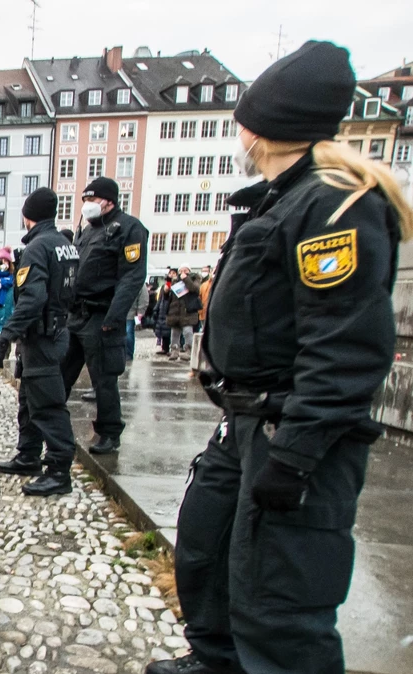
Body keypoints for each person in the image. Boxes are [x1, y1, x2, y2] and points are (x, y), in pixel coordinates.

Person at [152, 41, 411, 674]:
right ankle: (217, 659)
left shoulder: (333, 206)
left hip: (292, 428)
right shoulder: (283, 196)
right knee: (207, 551)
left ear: (265, 124)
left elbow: (344, 346)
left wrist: (294, 458)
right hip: (242, 420)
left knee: (280, 602)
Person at [0, 188, 82, 496]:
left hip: (42, 336)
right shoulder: (65, 245)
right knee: (29, 398)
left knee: (47, 405)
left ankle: (58, 470)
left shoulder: (38, 248)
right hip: (54, 331)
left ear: (27, 215)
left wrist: (6, 336)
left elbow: (32, 299)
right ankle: (28, 454)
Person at [59, 176, 149, 454]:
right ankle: (50, 424)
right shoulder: (87, 230)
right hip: (77, 315)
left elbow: (132, 277)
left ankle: (109, 433)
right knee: (61, 374)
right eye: (85, 201)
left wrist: (115, 316)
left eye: (92, 200)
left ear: (108, 201)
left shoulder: (129, 229)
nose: (87, 206)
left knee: (103, 380)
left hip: (101, 315)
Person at [165, 266, 202, 360]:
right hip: (175, 311)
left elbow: (194, 289)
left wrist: (185, 279)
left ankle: (189, 351)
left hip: (187, 311)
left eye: (185, 270)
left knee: (188, 332)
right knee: (174, 333)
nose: (183, 272)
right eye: (181, 271)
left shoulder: (195, 278)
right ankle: (174, 351)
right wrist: (166, 291)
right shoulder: (175, 281)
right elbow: (169, 297)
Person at [129, 282, 150, 361]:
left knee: (128, 334)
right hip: (119, 313)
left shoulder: (139, 282)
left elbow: (144, 298)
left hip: (131, 313)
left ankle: (128, 355)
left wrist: (140, 312)